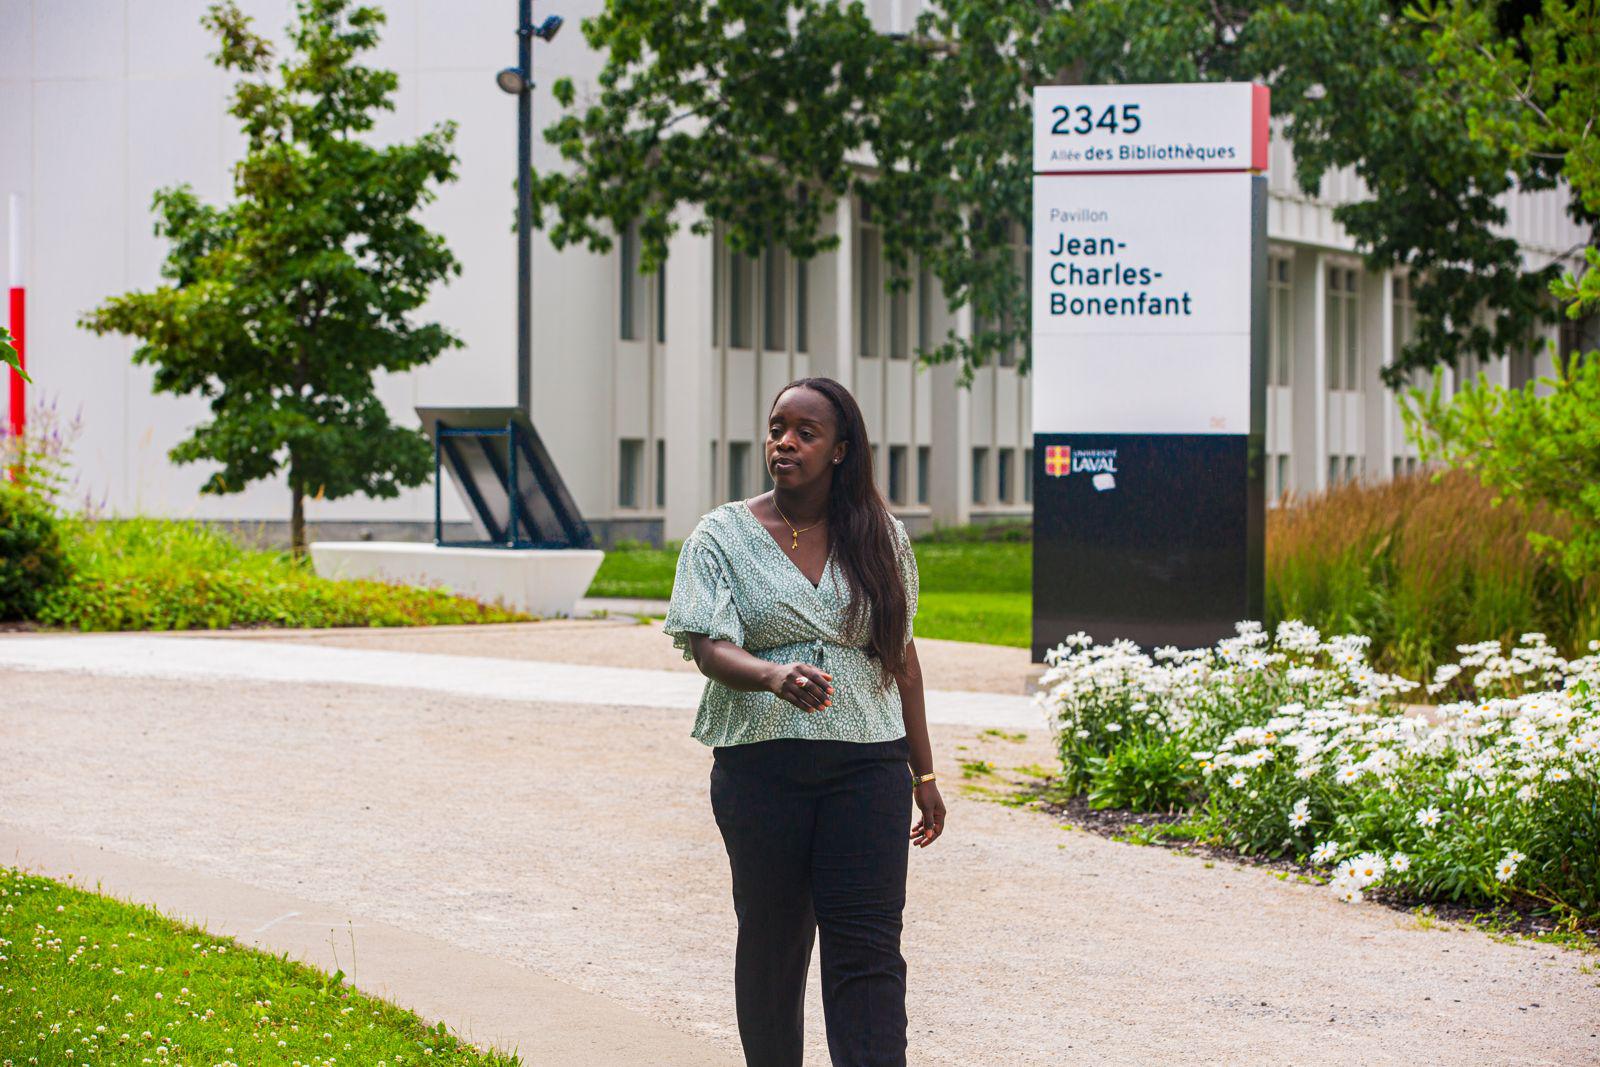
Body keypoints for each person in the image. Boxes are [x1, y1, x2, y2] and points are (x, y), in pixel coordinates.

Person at [663, 376, 946, 1067]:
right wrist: (773, 675)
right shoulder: (721, 536)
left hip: (867, 767)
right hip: (762, 769)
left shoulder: (881, 537)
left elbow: (902, 661)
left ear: (841, 450)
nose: (784, 443)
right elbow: (707, 644)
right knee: (773, 941)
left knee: (869, 949)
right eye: (776, 428)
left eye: (804, 432)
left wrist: (925, 771)